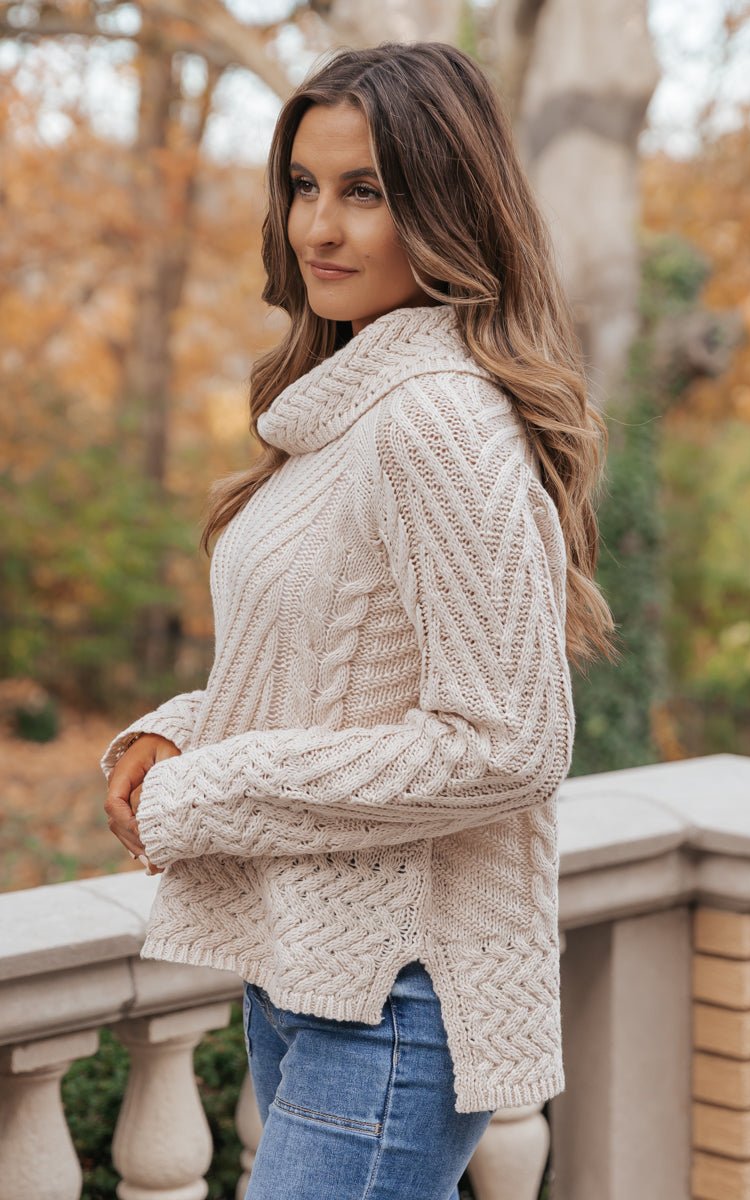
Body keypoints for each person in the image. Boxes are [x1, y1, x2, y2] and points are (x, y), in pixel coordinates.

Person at [102, 41, 614, 1200]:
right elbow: (332, 669)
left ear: (445, 206)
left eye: (364, 191)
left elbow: (507, 741)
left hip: (395, 999)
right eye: (302, 186)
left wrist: (206, 791)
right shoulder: (340, 414)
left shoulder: (433, 419)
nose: (317, 228)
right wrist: (180, 729)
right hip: (312, 969)